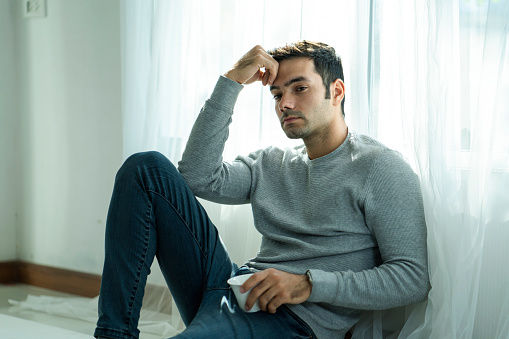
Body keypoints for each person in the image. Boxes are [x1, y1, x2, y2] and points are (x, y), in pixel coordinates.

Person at [94, 41, 430, 339]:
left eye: (299, 89)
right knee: (146, 168)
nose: (284, 103)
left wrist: (307, 284)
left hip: (292, 320)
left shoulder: (380, 167)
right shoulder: (273, 161)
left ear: (337, 91)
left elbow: (412, 278)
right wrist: (232, 82)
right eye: (277, 93)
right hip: (231, 286)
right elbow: (197, 178)